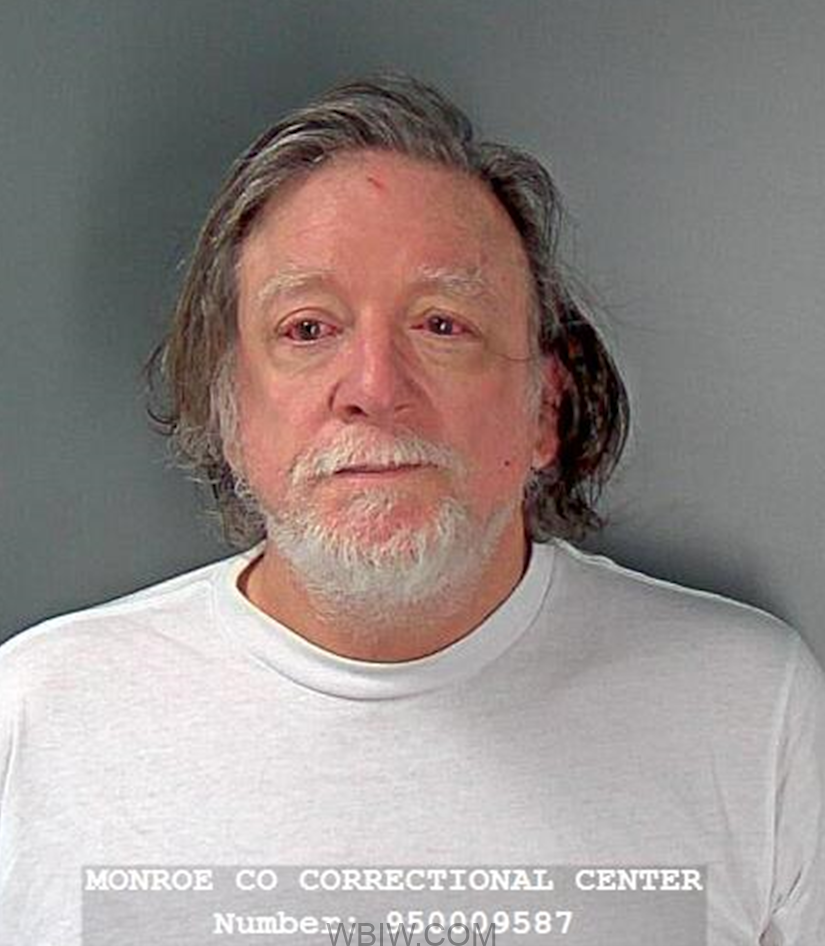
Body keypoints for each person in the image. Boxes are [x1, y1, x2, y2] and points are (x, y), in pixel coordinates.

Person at [1, 74, 823, 946]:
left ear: (545, 409)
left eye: (442, 325)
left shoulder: (751, 711)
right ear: (229, 411)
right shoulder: (35, 717)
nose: (374, 387)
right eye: (308, 328)